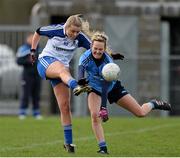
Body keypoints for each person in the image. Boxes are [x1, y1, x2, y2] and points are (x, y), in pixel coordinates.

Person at [76, 31, 171, 154]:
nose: (98, 51)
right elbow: (80, 73)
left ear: (105, 49)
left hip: (112, 87)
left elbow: (105, 86)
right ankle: (103, 148)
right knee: (94, 116)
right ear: (91, 47)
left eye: (101, 49)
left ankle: (154, 103)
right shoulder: (85, 57)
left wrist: (103, 107)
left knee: (140, 113)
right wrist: (80, 81)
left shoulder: (108, 61)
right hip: (94, 89)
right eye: (95, 48)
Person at [30, 14, 94, 153]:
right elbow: (38, 31)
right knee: (62, 69)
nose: (75, 34)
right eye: (72, 31)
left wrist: (107, 62)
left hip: (62, 74)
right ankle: (76, 86)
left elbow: (94, 50)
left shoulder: (80, 38)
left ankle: (69, 144)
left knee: (65, 107)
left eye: (78, 32)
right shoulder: (56, 30)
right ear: (66, 26)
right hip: (46, 62)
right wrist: (33, 50)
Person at [16, 32, 42, 120]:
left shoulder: (39, 49)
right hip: (27, 75)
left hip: (37, 75)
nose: (33, 40)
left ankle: (36, 112)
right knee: (26, 94)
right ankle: (22, 112)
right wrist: (28, 61)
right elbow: (18, 61)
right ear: (28, 39)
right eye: (31, 38)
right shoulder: (23, 49)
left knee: (36, 94)